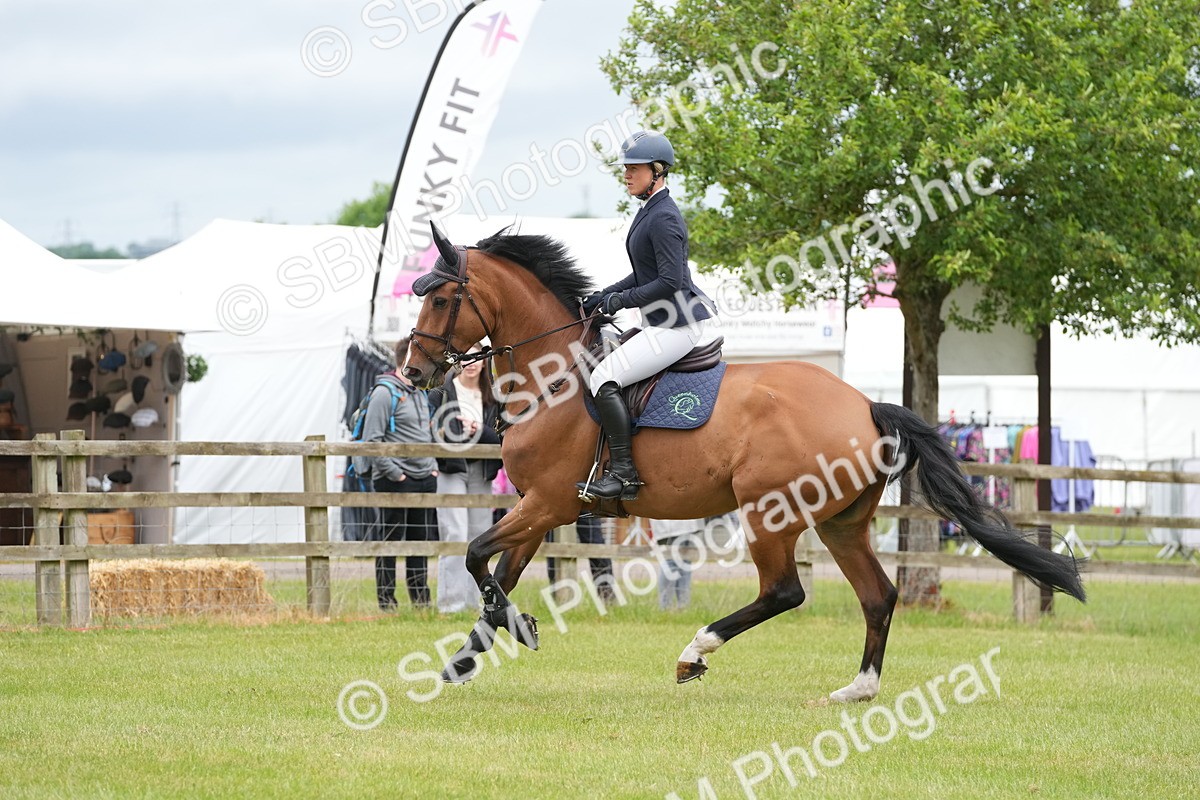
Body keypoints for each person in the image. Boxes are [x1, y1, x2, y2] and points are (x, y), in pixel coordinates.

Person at [578, 130, 717, 501]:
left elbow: (670, 281)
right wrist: (604, 294)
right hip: (660, 321)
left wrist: (621, 301)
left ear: (657, 170)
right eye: (625, 168)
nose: (626, 174)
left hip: (676, 325)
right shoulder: (650, 211)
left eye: (633, 168)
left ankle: (623, 473)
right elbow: (644, 274)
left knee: (604, 377)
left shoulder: (664, 217)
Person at [362, 336, 439, 610]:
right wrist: (396, 475)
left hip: (423, 479)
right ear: (406, 360)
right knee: (390, 542)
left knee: (420, 542)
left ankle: (421, 601)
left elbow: (427, 433)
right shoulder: (384, 393)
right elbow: (372, 441)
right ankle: (387, 602)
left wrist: (432, 468)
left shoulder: (421, 392)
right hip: (395, 481)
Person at [427, 344, 502, 614]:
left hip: (482, 471)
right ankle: (450, 604)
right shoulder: (442, 392)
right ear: (459, 361)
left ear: (485, 362)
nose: (472, 362)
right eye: (466, 357)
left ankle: (475, 603)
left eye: (477, 357)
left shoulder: (494, 395)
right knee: (455, 533)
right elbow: (434, 431)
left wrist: (478, 430)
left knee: (480, 537)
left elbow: (500, 438)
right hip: (451, 469)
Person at [651, 517, 705, 610]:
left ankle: (684, 607)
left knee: (685, 564)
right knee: (670, 563)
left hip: (686, 523)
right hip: (671, 524)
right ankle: (665, 607)